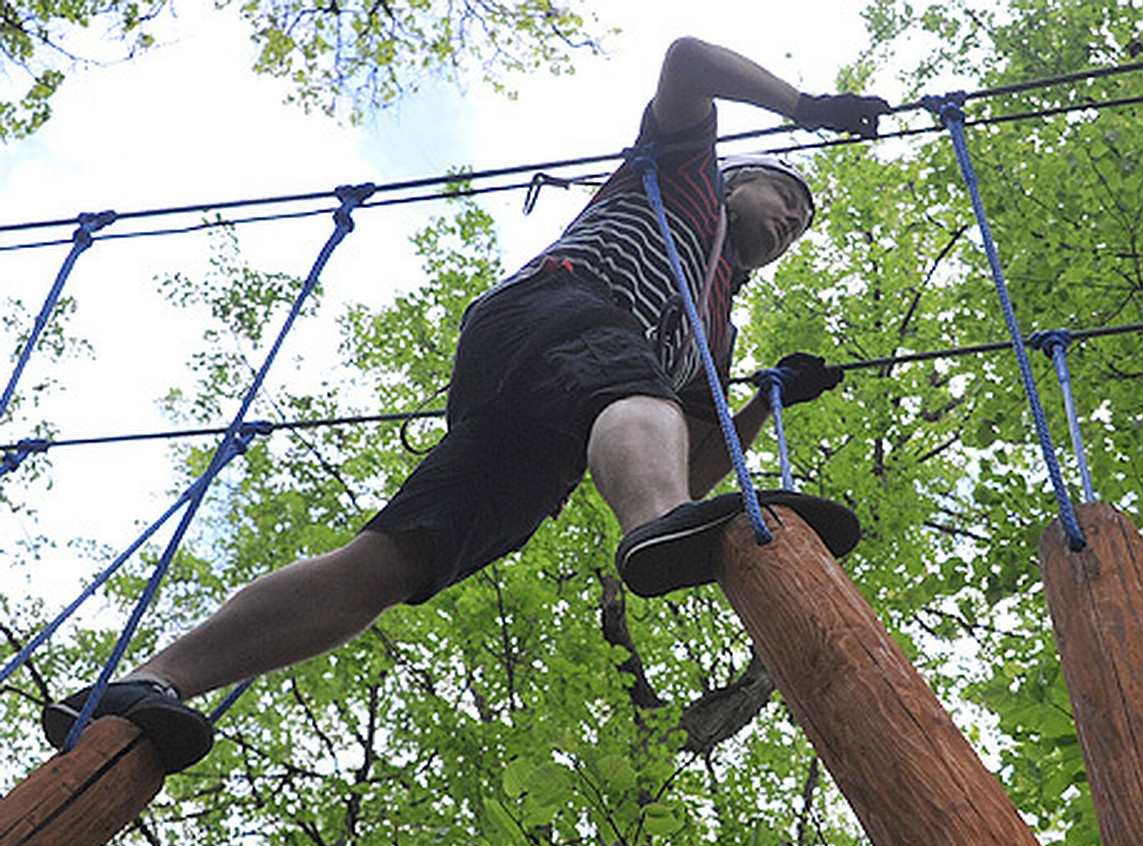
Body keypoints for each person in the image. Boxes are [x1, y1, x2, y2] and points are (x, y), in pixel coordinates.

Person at [41, 37, 886, 772]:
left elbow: (690, 478)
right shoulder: (680, 174)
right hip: (560, 311)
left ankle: (155, 679)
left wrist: (763, 408)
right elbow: (687, 59)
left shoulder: (715, 333)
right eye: (786, 199)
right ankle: (644, 523)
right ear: (739, 181)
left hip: (555, 429)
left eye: (803, 225)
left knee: (395, 561)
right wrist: (804, 106)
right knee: (631, 398)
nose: (792, 223)